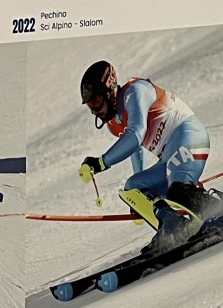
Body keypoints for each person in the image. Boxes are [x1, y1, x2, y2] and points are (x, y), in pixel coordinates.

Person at [76, 60, 213, 231]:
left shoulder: (134, 92)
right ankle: (175, 228)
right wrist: (140, 200)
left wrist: (102, 162)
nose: (95, 111)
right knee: (132, 189)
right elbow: (135, 148)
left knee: (179, 191)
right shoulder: (114, 124)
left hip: (188, 137)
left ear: (109, 91)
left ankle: (221, 212)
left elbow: (136, 134)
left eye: (96, 102)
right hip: (169, 158)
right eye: (90, 106)